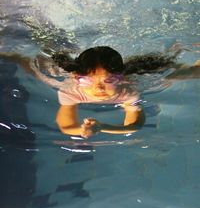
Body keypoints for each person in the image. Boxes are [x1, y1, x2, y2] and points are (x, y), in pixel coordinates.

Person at [1, 45, 200, 138]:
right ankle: (12, 51)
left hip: (139, 75)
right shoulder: (71, 89)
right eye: (86, 80)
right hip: (63, 70)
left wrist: (100, 126)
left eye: (109, 80)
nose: (98, 88)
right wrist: (87, 129)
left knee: (186, 73)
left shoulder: (127, 90)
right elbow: (66, 125)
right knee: (33, 67)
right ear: (76, 77)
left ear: (121, 77)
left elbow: (135, 125)